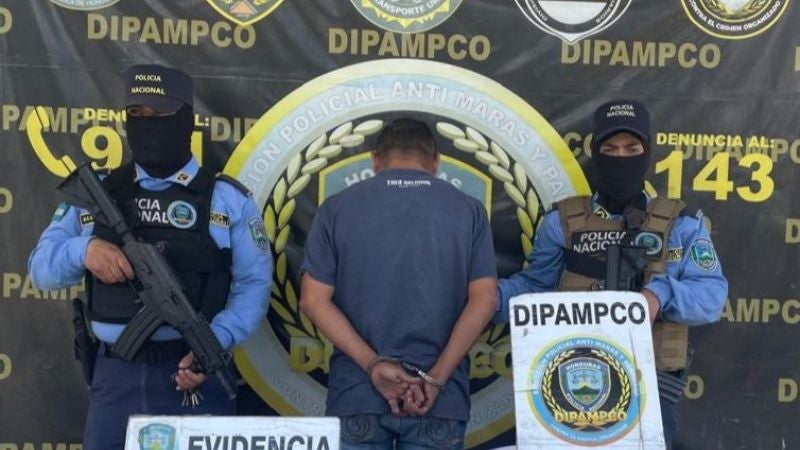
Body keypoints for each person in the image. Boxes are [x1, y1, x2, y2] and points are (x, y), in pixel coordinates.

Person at [28, 64, 272, 450]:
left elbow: (254, 285)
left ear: (186, 121)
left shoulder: (226, 199)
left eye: (160, 114)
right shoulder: (98, 193)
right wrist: (84, 250)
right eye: (137, 114)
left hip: (193, 374)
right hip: (115, 379)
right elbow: (41, 270)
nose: (148, 124)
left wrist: (215, 343)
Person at [495, 100, 727, 449]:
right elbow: (534, 287)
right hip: (570, 381)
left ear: (647, 154)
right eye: (610, 149)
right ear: (596, 154)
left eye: (631, 149)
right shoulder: (562, 222)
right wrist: (488, 298)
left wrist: (659, 295)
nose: (621, 157)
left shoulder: (682, 225)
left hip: (652, 384)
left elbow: (711, 296)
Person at [299, 118, 498, 450]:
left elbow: (312, 300)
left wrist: (374, 365)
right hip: (438, 400)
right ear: (435, 161)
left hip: (357, 393)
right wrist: (436, 378)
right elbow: (486, 300)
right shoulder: (469, 210)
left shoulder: (336, 208)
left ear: (375, 160)